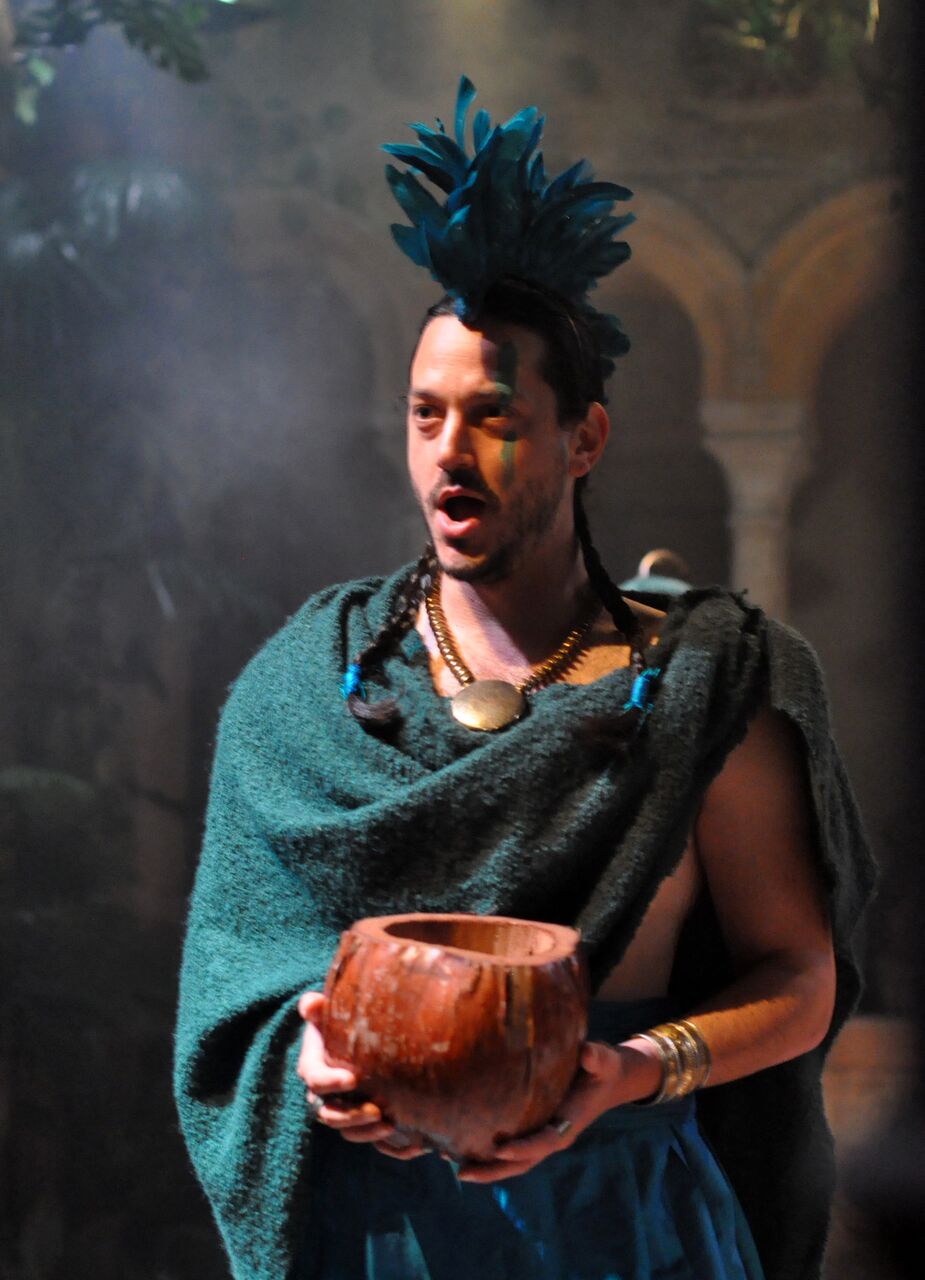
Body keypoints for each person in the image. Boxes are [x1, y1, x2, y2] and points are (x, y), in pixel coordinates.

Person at [174, 79, 875, 1280]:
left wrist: (628, 1070)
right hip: (376, 1231)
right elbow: (241, 975)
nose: (449, 451)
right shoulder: (310, 679)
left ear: (582, 437)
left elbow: (799, 975)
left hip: (622, 1219)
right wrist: (311, 1061)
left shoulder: (704, 683)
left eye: (494, 415)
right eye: (424, 414)